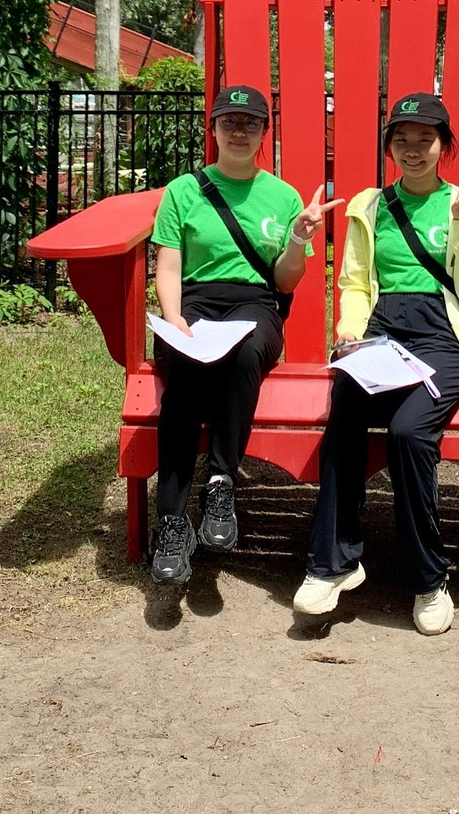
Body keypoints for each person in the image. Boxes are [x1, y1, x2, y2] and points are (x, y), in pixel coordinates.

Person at [293, 92, 459, 637]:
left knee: (409, 433)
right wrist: (350, 333)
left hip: (446, 336)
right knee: (344, 414)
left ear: (444, 146)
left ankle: (430, 579)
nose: (412, 150)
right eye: (401, 141)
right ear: (389, 148)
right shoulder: (369, 206)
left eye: (424, 140)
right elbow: (355, 282)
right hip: (384, 333)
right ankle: (333, 564)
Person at [148, 85, 334, 583]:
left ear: (263, 134)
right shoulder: (183, 191)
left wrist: (299, 238)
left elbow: (285, 281)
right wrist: (173, 319)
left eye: (250, 123)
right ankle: (170, 522)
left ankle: (221, 481)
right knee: (184, 371)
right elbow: (168, 267)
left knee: (247, 349)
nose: (238, 131)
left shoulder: (283, 195)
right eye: (228, 121)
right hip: (195, 302)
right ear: (212, 129)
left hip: (255, 303)